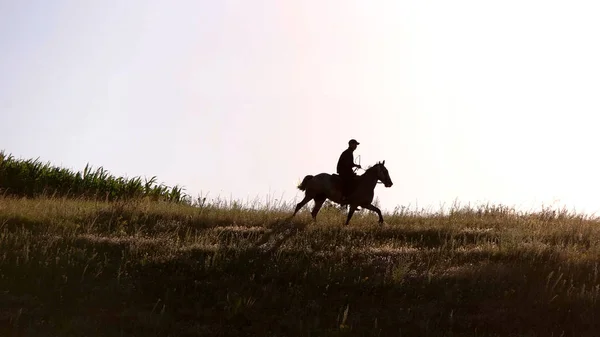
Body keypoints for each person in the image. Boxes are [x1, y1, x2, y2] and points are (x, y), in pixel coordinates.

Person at [336, 139, 361, 204]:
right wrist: (356, 165)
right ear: (351, 144)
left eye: (356, 145)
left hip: (345, 170)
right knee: (349, 181)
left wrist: (355, 166)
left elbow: (350, 164)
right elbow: (348, 164)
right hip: (343, 171)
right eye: (355, 144)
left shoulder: (349, 152)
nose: (356, 146)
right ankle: (344, 197)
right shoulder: (348, 153)